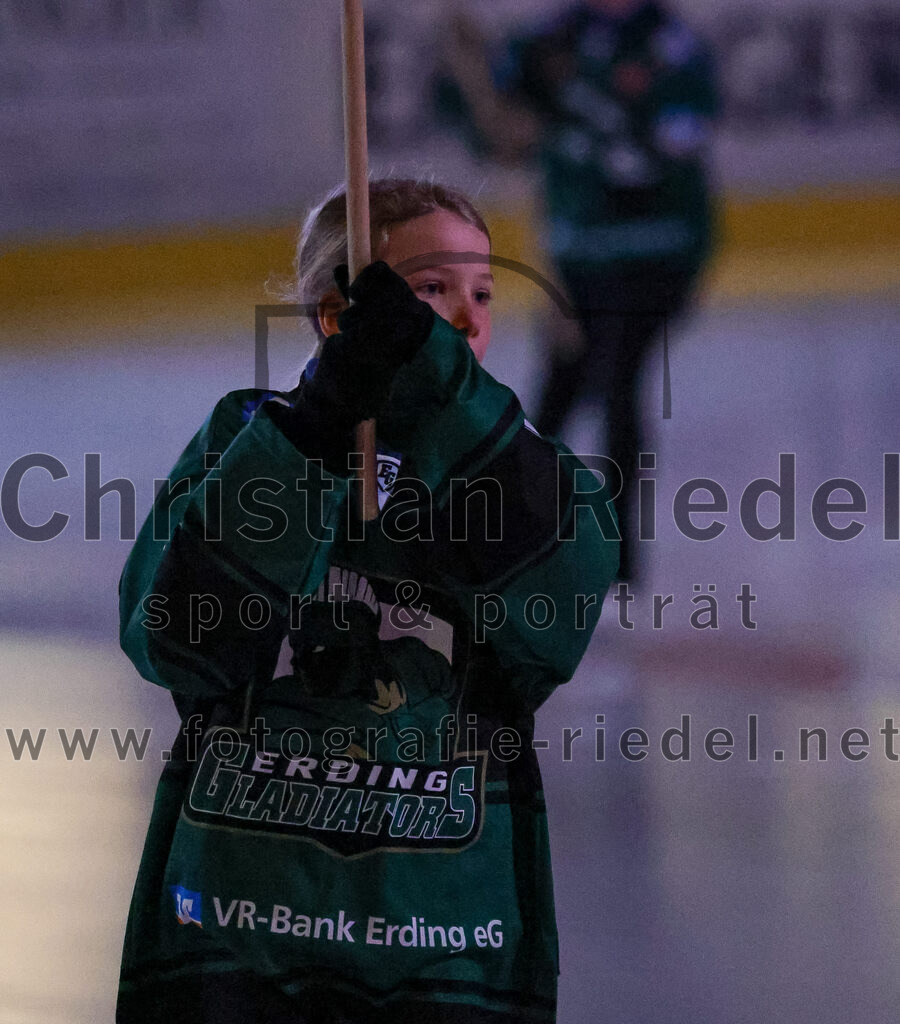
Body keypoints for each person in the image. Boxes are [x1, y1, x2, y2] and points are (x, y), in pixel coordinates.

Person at [115, 178, 619, 1024]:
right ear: (334, 311)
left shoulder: (508, 458)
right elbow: (173, 640)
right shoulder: (247, 437)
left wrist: (448, 404)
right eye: (428, 293)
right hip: (243, 921)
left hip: (443, 923)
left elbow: (558, 618)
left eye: (482, 293)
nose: (462, 320)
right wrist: (310, 430)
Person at [436, 0, 718, 580]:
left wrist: (579, 116)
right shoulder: (549, 41)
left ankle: (614, 554)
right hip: (578, 260)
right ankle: (516, 534)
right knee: (558, 392)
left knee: (616, 379)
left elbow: (671, 141)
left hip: (655, 254)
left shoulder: (669, 46)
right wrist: (473, 89)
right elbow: (496, 133)